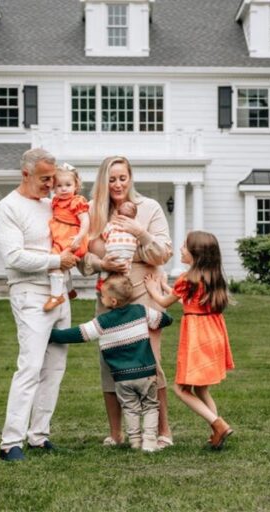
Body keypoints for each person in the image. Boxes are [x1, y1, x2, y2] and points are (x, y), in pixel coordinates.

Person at [79, 156, 175, 448]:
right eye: (112, 179)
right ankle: (116, 433)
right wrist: (100, 262)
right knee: (111, 362)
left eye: (123, 177)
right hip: (109, 295)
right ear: (103, 181)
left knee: (151, 362)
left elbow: (162, 253)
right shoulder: (92, 211)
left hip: (145, 291)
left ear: (130, 178)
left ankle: (163, 432)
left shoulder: (149, 208)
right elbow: (82, 257)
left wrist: (139, 234)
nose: (118, 184)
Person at [0, 148, 79, 462]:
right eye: (44, 179)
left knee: (54, 368)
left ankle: (39, 437)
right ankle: (9, 443)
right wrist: (57, 260)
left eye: (53, 179)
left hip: (60, 294)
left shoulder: (51, 205)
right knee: (29, 366)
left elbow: (67, 239)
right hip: (30, 295)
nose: (50, 184)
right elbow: (14, 258)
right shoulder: (7, 209)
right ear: (25, 174)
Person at [49, 275, 173, 452]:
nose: (101, 298)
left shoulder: (102, 323)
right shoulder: (141, 311)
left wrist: (51, 335)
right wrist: (167, 318)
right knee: (151, 406)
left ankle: (135, 440)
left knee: (130, 408)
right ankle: (150, 441)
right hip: (146, 373)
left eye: (103, 295)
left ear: (113, 301)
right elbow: (164, 320)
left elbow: (77, 334)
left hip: (122, 378)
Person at [144, 231, 235, 449]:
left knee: (181, 389)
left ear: (196, 254)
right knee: (202, 389)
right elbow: (186, 297)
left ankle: (219, 424)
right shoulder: (211, 277)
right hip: (213, 333)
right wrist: (167, 287)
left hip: (198, 336)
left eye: (185, 247)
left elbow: (165, 302)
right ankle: (216, 434)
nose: (181, 250)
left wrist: (152, 289)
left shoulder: (187, 278)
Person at [44, 163, 90, 312]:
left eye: (68, 185)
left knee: (55, 265)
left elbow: (85, 221)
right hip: (59, 239)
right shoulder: (56, 202)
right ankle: (69, 290)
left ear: (76, 186)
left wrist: (80, 236)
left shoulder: (76, 201)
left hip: (72, 240)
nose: (63, 189)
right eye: (59, 186)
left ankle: (56, 295)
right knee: (59, 263)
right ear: (53, 187)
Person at [97, 201, 139, 288]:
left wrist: (107, 239)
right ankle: (126, 282)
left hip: (113, 251)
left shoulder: (112, 224)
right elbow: (139, 236)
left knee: (108, 267)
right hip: (128, 252)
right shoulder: (135, 225)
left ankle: (102, 281)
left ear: (118, 213)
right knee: (126, 269)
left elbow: (104, 235)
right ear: (134, 216)